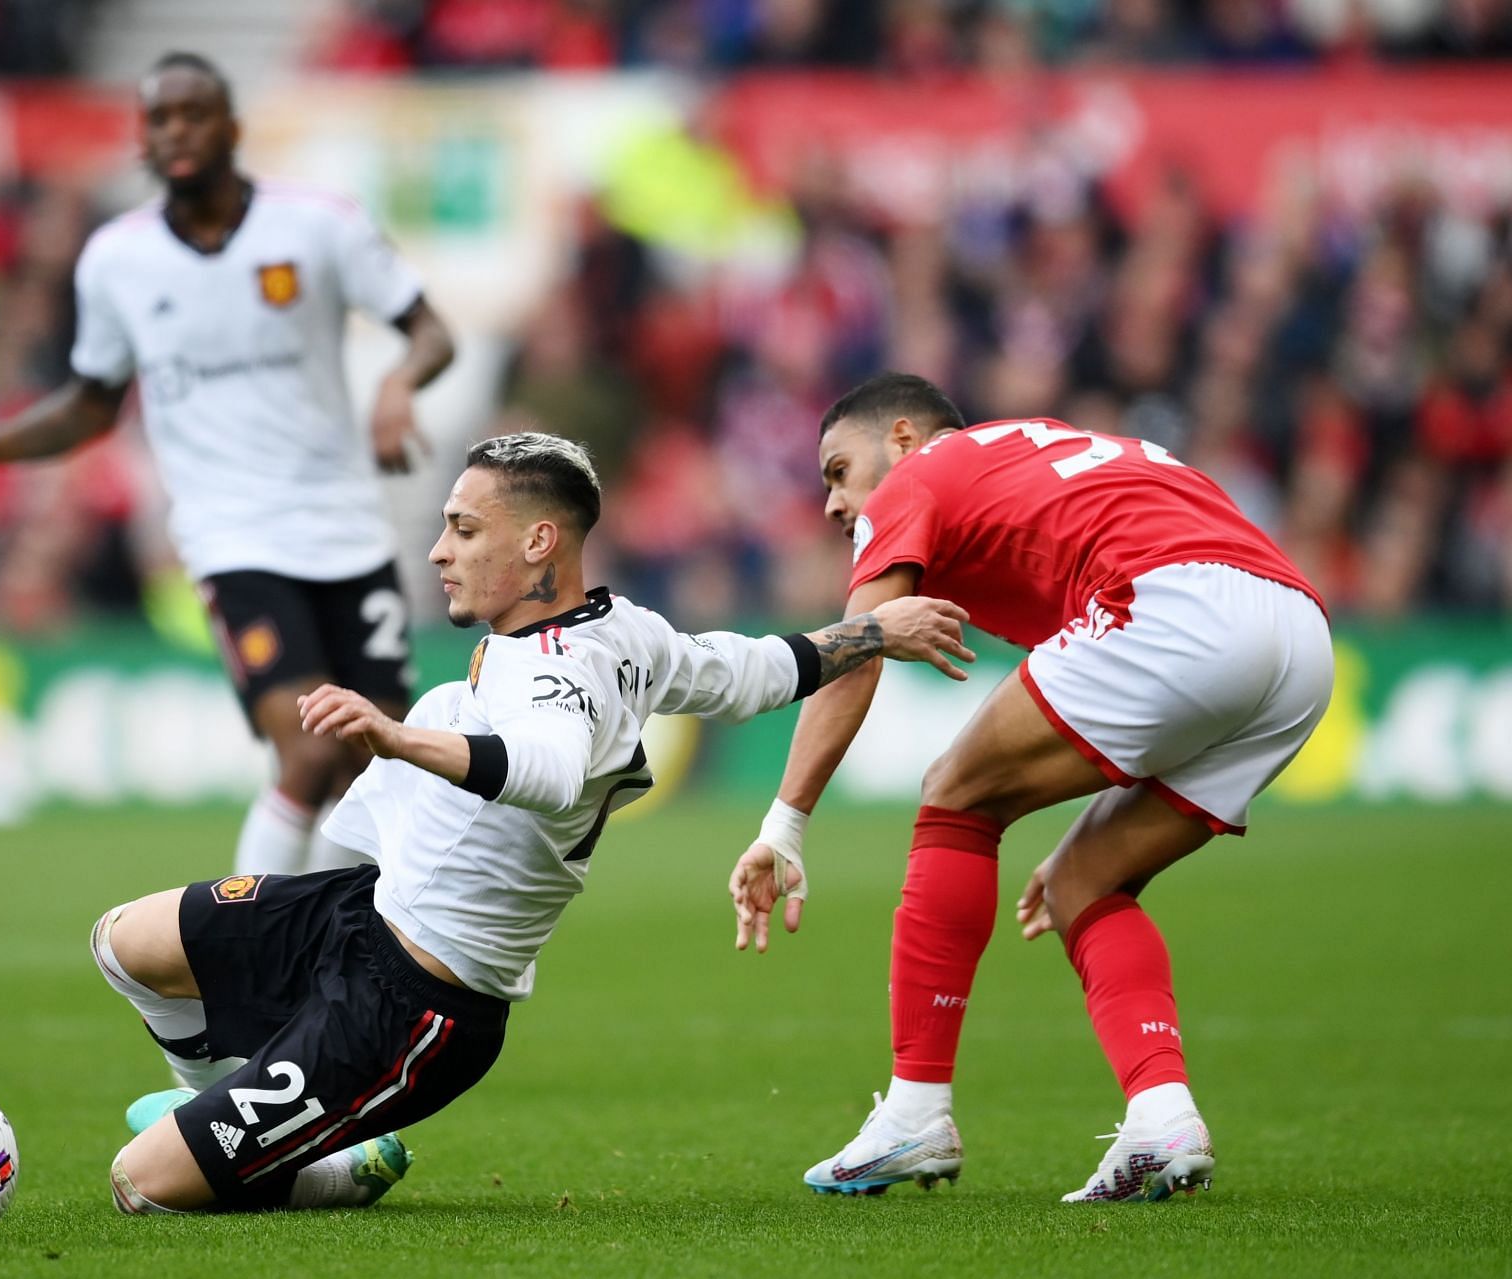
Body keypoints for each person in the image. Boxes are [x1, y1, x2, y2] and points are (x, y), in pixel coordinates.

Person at [87, 432, 976, 1213]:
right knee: (127, 943)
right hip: (363, 914)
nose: (439, 550)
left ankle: (329, 1162)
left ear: (540, 540)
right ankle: (234, 1108)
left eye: (465, 530)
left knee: (143, 1182)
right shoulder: (625, 631)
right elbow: (748, 670)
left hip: (413, 1006)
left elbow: (548, 770)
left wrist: (397, 735)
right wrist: (872, 632)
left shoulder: (563, 673)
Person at [728, 373, 1333, 1203]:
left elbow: (853, 651)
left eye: (837, 469)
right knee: (1089, 879)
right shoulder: (1033, 454)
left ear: (902, 439)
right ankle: (1163, 1117)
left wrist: (784, 824)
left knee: (957, 798)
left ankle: (914, 1112)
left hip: (1173, 599)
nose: (834, 502)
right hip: (1297, 632)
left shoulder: (920, 475)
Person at [0, 51, 456, 877]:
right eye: (159, 119)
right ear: (143, 140)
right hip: (232, 536)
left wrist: (399, 383)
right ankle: (253, 941)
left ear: (232, 129)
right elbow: (89, 404)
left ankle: (337, 944)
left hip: (345, 526)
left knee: (373, 762)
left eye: (193, 115)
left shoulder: (318, 226)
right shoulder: (117, 260)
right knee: (304, 749)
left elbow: (431, 330)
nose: (176, 132)